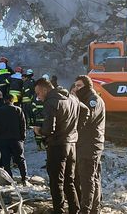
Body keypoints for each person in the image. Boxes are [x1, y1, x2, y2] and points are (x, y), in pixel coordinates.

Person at [34, 78, 89, 214]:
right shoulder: (72, 98)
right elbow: (86, 111)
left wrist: (38, 130)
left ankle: (59, 211)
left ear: (45, 89)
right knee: (69, 181)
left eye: (38, 93)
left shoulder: (51, 102)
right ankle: (74, 210)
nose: (38, 97)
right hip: (71, 145)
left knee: (56, 182)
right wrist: (76, 129)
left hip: (57, 146)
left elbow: (48, 130)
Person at [74, 75, 105, 214]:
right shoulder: (87, 98)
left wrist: (75, 101)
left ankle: (86, 210)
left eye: (79, 86)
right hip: (88, 144)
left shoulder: (93, 100)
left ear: (87, 86)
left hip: (90, 145)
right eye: (75, 86)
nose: (76, 89)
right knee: (93, 178)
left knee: (87, 180)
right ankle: (94, 208)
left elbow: (88, 117)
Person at [0, 94, 28, 185]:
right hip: (16, 139)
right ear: (13, 101)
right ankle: (24, 178)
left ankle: (10, 180)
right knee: (20, 159)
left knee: (6, 160)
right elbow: (23, 125)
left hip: (3, 139)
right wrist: (22, 138)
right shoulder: (18, 110)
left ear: (4, 101)